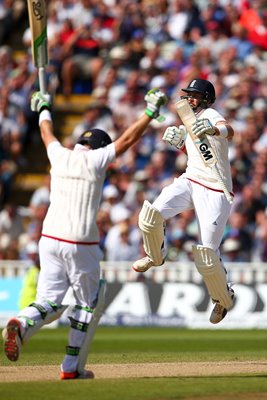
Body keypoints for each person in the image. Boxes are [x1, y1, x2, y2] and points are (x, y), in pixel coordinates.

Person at [2, 87, 167, 379]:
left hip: (49, 239)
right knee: (89, 304)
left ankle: (21, 322)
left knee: (49, 302)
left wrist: (44, 109)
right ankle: (71, 367)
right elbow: (127, 139)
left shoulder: (60, 155)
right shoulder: (97, 159)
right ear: (100, 147)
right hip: (81, 241)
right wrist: (151, 113)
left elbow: (47, 134)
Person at [132, 78, 235, 325]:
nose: (190, 98)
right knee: (151, 216)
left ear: (207, 98)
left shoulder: (211, 115)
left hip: (216, 189)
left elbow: (228, 130)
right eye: (188, 94)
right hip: (190, 180)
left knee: (207, 255)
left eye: (195, 95)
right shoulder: (188, 120)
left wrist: (212, 129)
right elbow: (202, 156)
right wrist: (181, 144)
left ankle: (223, 299)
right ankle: (155, 256)